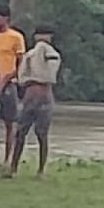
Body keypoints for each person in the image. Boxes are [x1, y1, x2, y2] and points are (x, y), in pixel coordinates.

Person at [8, 25, 62, 178]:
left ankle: (40, 170)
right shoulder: (31, 55)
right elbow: (22, 75)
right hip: (32, 94)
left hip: (41, 94)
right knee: (22, 132)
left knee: (41, 133)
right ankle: (14, 168)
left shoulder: (49, 53)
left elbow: (50, 72)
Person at [0, 4, 25, 167]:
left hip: (9, 82)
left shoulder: (16, 37)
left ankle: (7, 158)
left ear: (6, 19)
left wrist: (9, 77)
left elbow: (20, 62)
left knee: (10, 122)